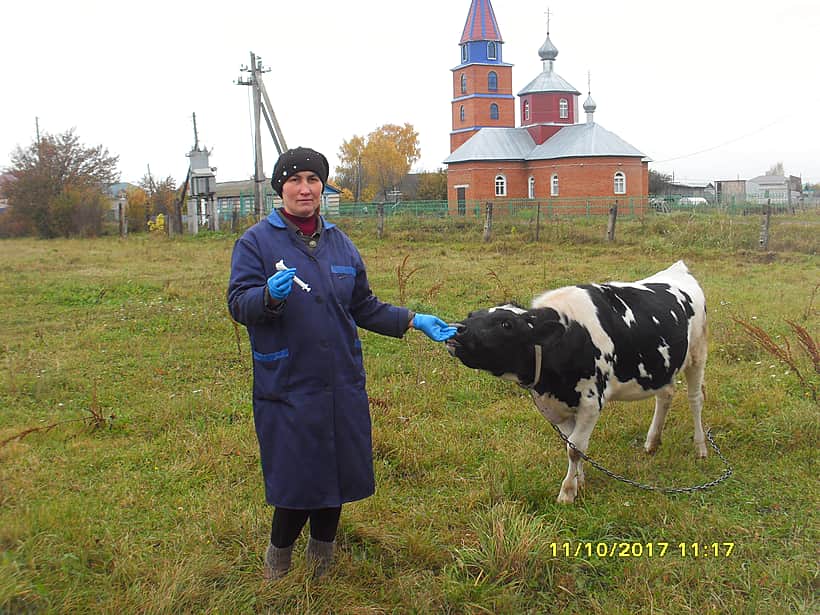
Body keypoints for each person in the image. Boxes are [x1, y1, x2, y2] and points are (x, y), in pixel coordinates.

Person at [227, 147, 456, 580]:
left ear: (322, 188)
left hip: (341, 379)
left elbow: (364, 306)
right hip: (289, 381)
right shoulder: (256, 243)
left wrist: (412, 319)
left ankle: (322, 561)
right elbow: (239, 304)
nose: (304, 188)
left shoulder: (339, 242)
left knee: (336, 472)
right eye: (294, 180)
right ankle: (277, 566)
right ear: (280, 188)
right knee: (297, 480)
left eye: (313, 180)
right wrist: (269, 296)